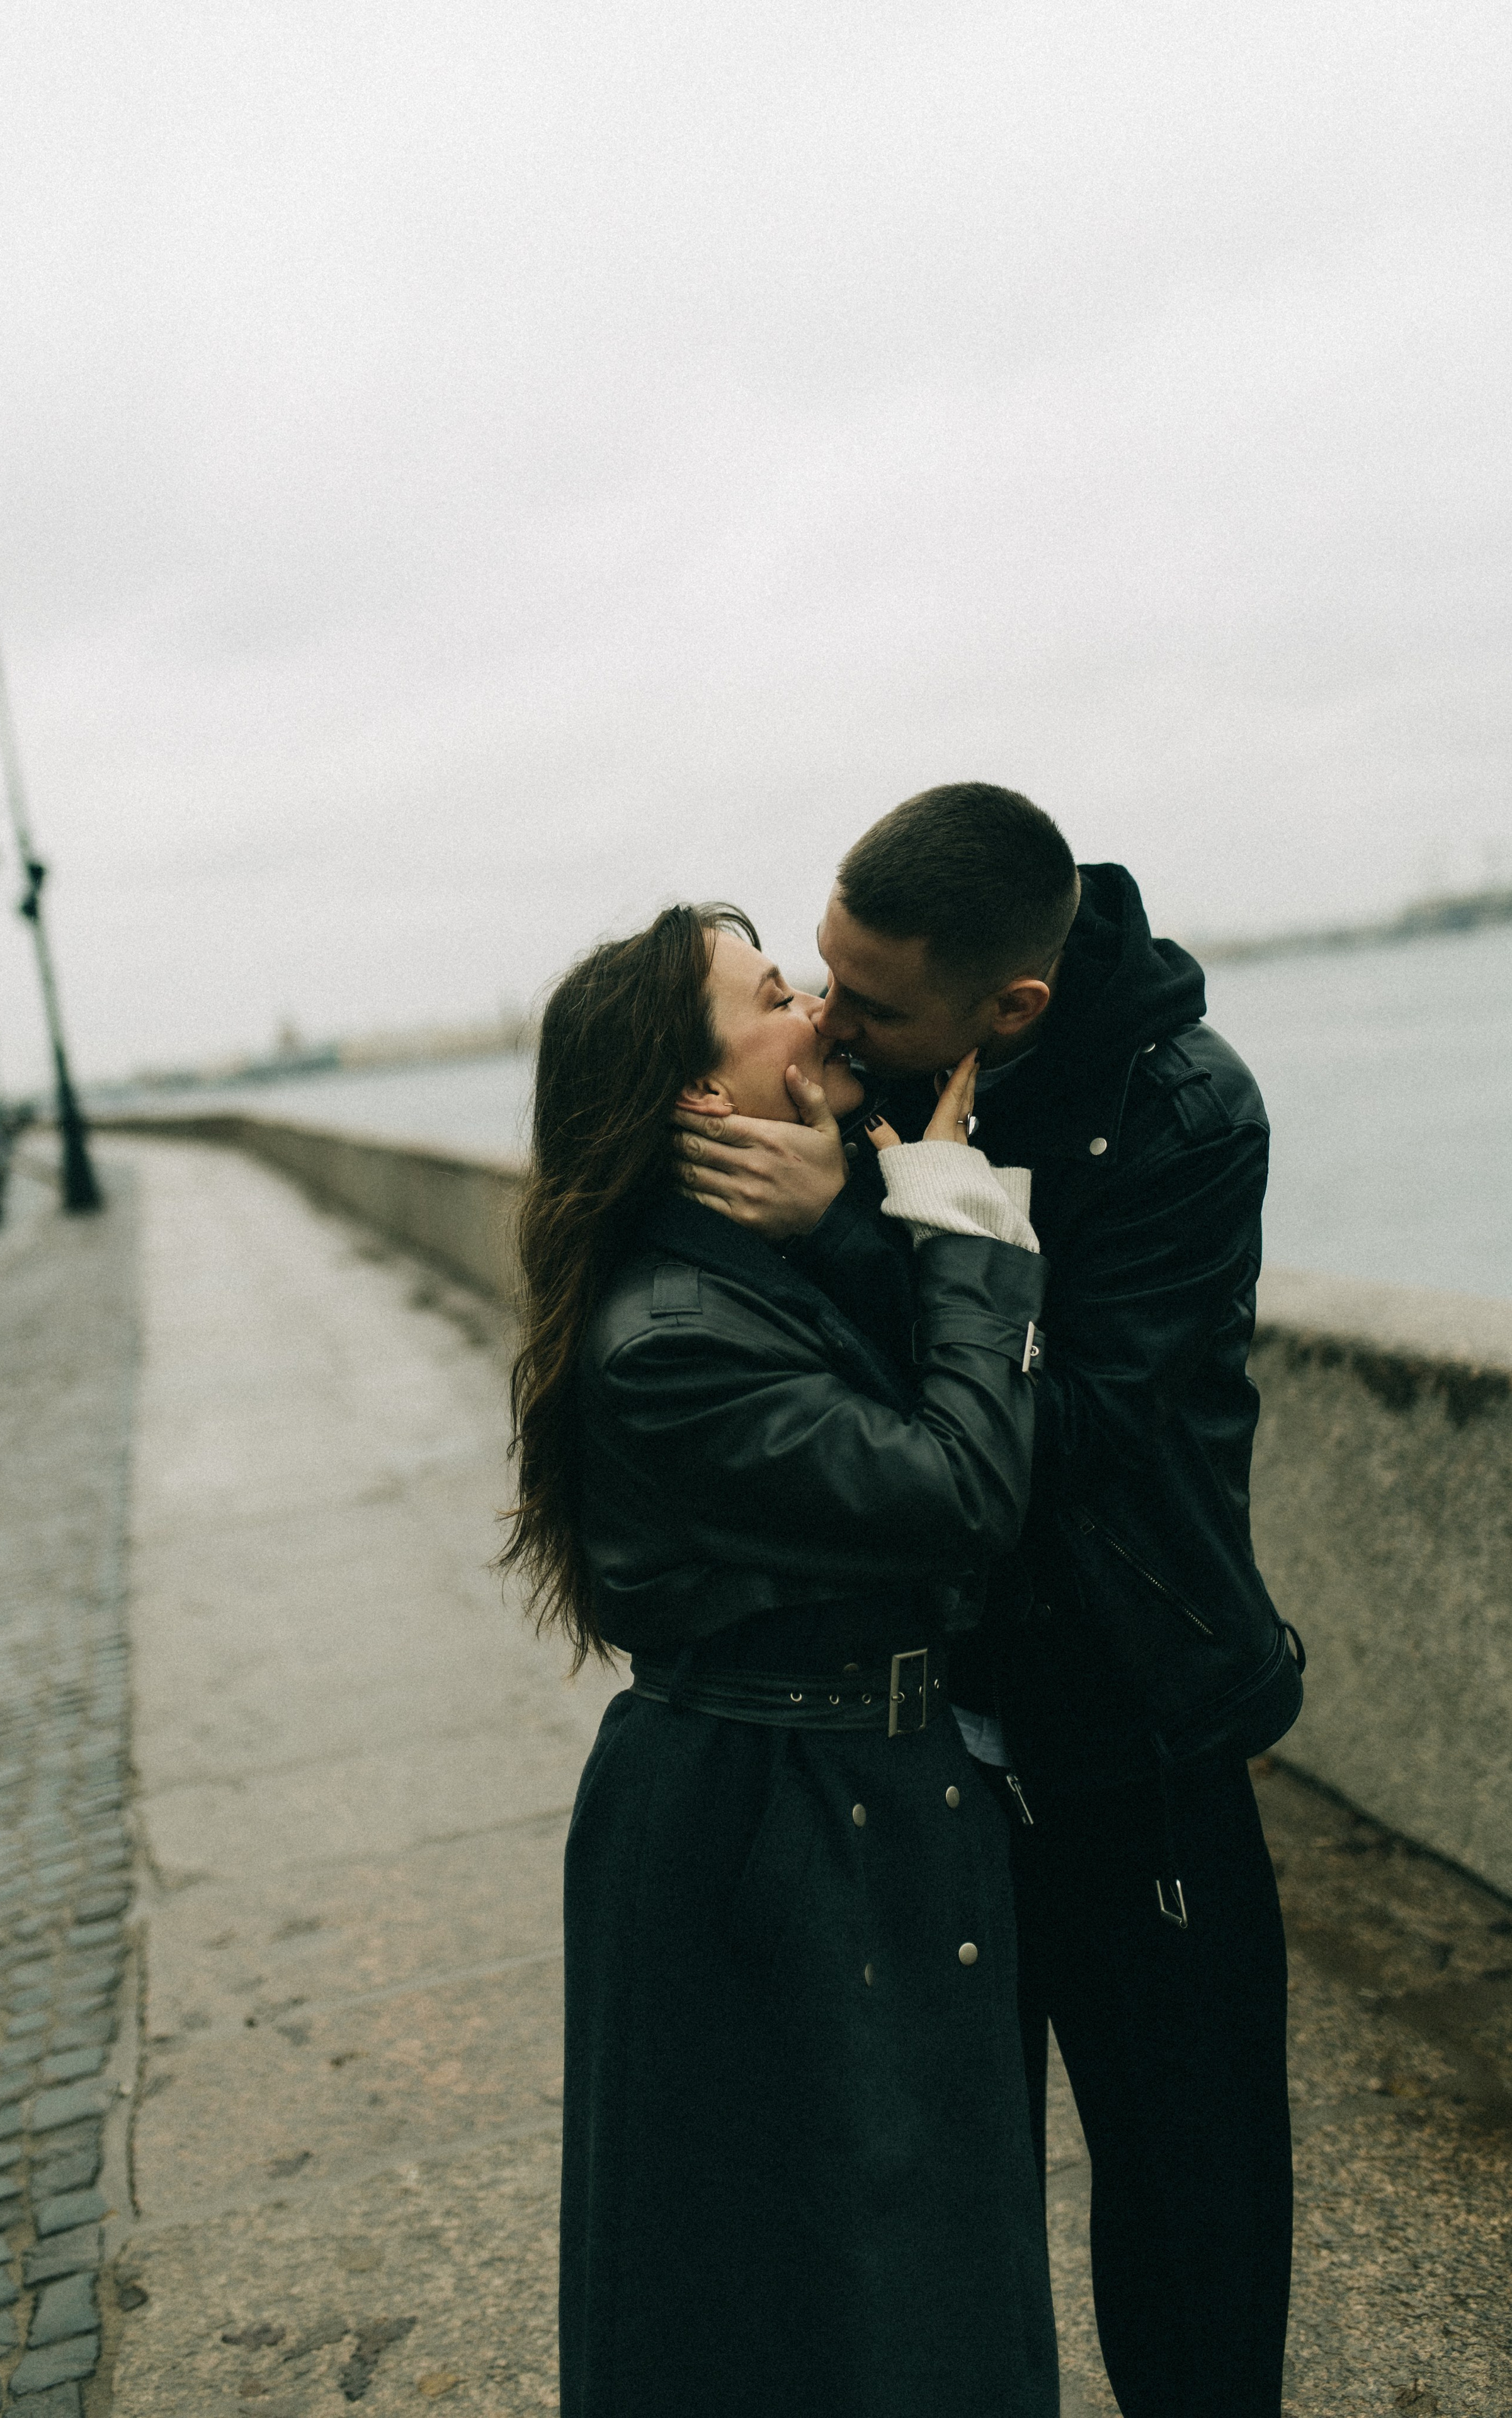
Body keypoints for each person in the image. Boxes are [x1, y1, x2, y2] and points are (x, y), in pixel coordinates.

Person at [674, 785, 1303, 2418]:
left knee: (1193, 2202)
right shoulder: (870, 1055)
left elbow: (1074, 1429)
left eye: (870, 1002)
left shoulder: (1179, 1114)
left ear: (1010, 1007)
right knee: (932, 2199)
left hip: (1131, 1709)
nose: (833, 1020)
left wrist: (860, 1232)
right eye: (821, 975)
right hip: (920, 1734)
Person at [503, 901, 1060, 2418]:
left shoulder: (748, 1261)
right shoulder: (671, 1338)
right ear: (700, 1091)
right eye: (774, 995)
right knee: (803, 2284)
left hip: (836, 1797)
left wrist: (852, 1215)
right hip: (771, 1829)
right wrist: (952, 1212)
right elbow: (960, 1487)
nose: (821, 1012)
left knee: (887, 2260)